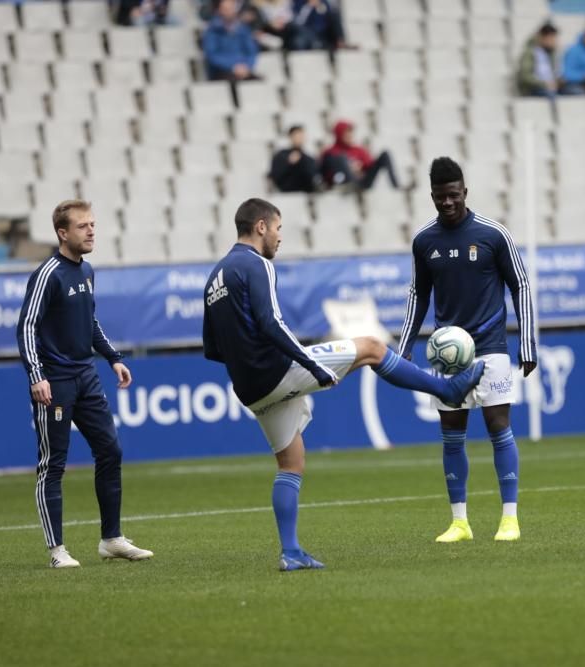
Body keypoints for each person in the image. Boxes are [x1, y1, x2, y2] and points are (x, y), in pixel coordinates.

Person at [202, 198, 485, 571]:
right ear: (260, 227)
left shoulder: (213, 278)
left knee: (291, 462)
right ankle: (446, 390)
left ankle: (290, 552)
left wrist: (247, 363)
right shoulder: (256, 265)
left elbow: (211, 349)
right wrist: (309, 365)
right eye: (278, 229)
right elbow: (271, 323)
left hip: (250, 388)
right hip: (277, 369)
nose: (279, 238)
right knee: (370, 347)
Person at [396, 158, 537, 544]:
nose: (447, 203)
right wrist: (405, 345)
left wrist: (527, 341)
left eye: (453, 195)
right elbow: (417, 295)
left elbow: (520, 285)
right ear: (432, 196)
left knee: (498, 427)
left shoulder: (493, 234)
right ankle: (460, 522)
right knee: (451, 434)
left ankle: (510, 518)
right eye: (440, 197)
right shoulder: (425, 241)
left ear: (465, 193)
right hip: (447, 355)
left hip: (490, 347)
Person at [15, 200, 153, 569]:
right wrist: (36, 375)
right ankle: (56, 550)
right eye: (82, 226)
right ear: (62, 233)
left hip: (86, 376)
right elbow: (26, 326)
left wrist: (114, 358)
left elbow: (90, 322)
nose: (91, 231)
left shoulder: (87, 271)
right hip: (55, 381)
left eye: (93, 224)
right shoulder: (48, 274)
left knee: (110, 450)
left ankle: (111, 539)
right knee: (53, 464)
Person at [321, 120, 402, 191]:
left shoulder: (359, 149)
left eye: (350, 133)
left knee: (385, 154)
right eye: (346, 133)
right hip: (342, 181)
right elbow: (326, 172)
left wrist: (360, 168)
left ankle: (396, 186)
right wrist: (348, 167)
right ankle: (350, 184)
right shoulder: (330, 152)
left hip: (361, 181)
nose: (350, 136)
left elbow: (369, 165)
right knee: (340, 159)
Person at [202, 0, 260, 81]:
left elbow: (251, 51)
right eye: (226, 9)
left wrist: (247, 66)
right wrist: (233, 66)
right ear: (219, 10)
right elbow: (212, 55)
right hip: (222, 73)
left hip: (244, 70)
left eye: (232, 8)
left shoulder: (243, 28)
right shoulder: (212, 31)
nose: (230, 11)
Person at [269, 125, 321, 193]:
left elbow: (314, 174)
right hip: (288, 191)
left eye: (302, 136)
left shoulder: (308, 158)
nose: (300, 138)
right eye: (297, 135)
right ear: (291, 137)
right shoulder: (282, 155)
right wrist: (289, 163)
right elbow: (276, 175)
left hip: (307, 191)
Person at [516, 22, 561, 98]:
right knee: (553, 96)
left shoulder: (551, 53)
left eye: (554, 38)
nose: (553, 41)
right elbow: (525, 76)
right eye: (550, 38)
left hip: (549, 86)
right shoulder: (529, 52)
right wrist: (544, 84)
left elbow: (553, 73)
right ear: (542, 37)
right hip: (533, 89)